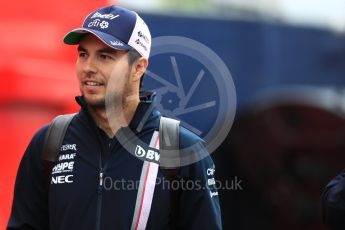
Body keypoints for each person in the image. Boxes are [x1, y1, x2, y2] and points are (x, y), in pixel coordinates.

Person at [7, 5, 222, 230]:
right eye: (83, 54)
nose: (88, 67)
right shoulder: (49, 142)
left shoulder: (183, 150)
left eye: (105, 56)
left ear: (138, 67)